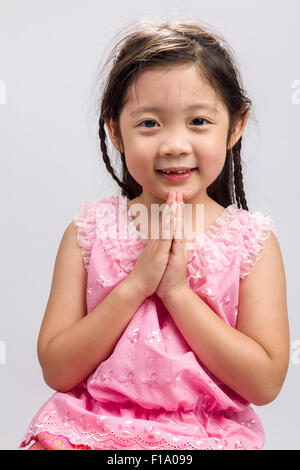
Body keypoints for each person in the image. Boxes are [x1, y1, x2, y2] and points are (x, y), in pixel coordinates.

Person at [19, 18, 290, 451]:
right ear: (115, 131)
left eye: (199, 121)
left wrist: (177, 293)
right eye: (149, 124)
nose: (174, 144)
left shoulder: (250, 240)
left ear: (235, 126)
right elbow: (57, 369)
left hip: (205, 436)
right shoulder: (89, 232)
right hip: (89, 430)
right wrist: (135, 286)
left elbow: (264, 382)